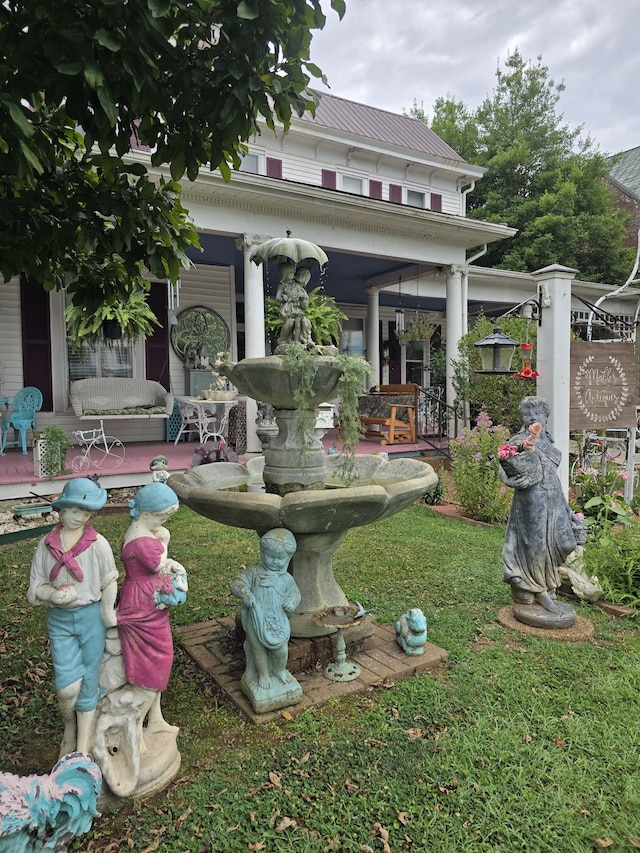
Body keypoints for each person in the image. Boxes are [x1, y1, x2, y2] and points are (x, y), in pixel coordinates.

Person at [28, 478, 118, 755]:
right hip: (61, 619)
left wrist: (106, 611)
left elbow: (109, 580)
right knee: (67, 688)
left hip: (91, 616)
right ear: (61, 509)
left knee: (90, 678)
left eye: (86, 512)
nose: (79, 517)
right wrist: (52, 595)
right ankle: (70, 723)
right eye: (74, 510)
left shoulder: (98, 544)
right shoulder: (46, 546)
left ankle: (80, 748)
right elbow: (35, 587)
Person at [499, 396, 586, 624]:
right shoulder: (519, 441)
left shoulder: (549, 443)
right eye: (528, 414)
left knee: (565, 542)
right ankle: (540, 591)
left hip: (553, 498)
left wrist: (568, 511)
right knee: (535, 545)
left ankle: (545, 585)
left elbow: (554, 478)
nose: (533, 417)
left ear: (545, 417)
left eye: (538, 413)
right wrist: (514, 475)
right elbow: (504, 467)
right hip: (531, 500)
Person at [116, 482, 186, 735]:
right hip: (142, 603)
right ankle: (136, 725)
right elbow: (157, 564)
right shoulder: (143, 540)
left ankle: (155, 718)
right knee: (157, 658)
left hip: (146, 598)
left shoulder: (140, 529)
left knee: (157, 659)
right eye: (162, 516)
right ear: (146, 513)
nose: (164, 521)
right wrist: (166, 540)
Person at [229, 528, 300, 691]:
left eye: (280, 558)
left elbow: (295, 593)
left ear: (288, 558)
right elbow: (236, 582)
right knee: (258, 649)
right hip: (256, 618)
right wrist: (245, 594)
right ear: (262, 553)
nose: (274, 561)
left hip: (277, 621)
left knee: (282, 649)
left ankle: (279, 670)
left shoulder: (287, 579)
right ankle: (263, 674)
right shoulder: (254, 573)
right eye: (270, 556)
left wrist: (291, 601)